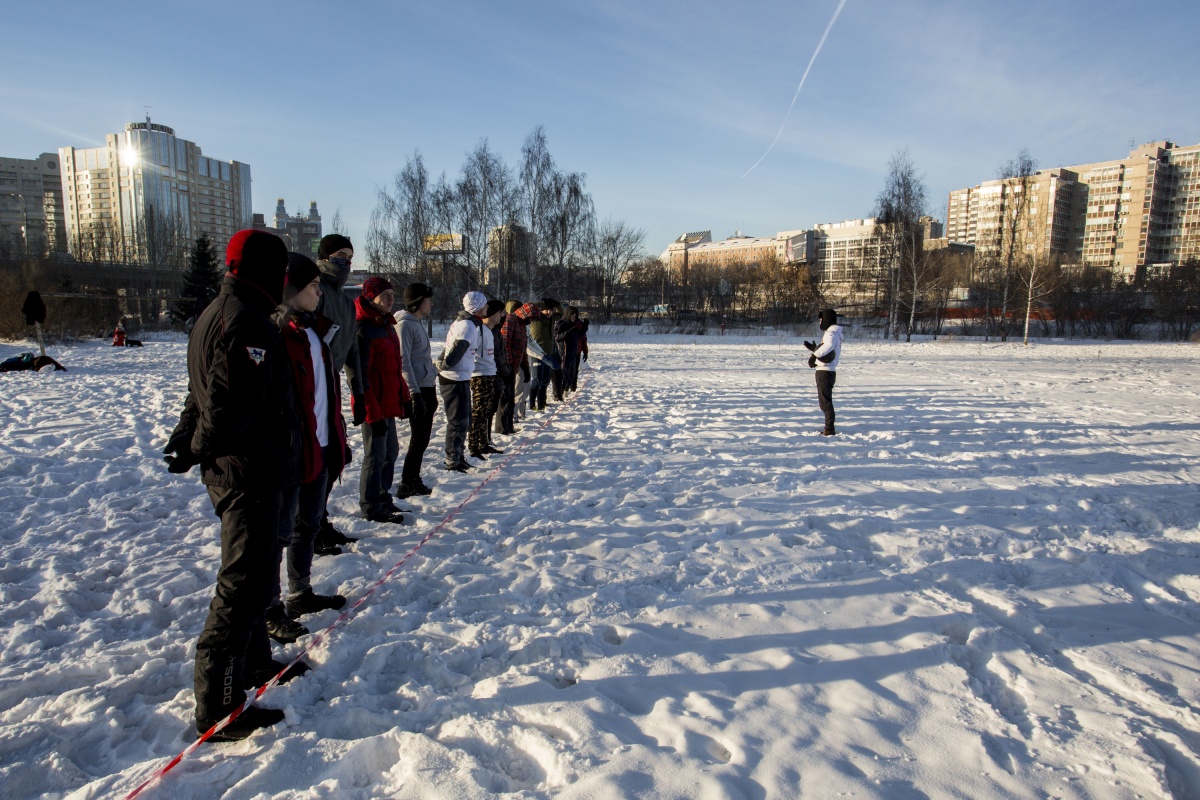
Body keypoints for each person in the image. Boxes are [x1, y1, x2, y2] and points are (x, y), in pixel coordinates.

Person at [162, 229, 301, 741]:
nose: (286, 281)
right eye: (283, 272)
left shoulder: (223, 312)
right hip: (250, 473)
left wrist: (185, 438)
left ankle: (255, 666)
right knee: (241, 587)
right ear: (267, 273)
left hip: (248, 468)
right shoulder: (246, 323)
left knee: (260, 578)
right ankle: (219, 707)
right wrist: (196, 444)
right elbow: (223, 407)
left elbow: (200, 394)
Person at [263, 253, 349, 644]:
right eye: (312, 286)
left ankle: (300, 591)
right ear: (292, 290)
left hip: (322, 445)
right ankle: (270, 609)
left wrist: (338, 438)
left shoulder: (316, 331)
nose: (319, 291)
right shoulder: (276, 335)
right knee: (278, 535)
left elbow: (327, 389)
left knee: (309, 525)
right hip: (292, 452)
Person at [313, 234, 364, 555]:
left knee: (335, 458)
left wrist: (359, 391)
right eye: (338, 255)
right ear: (323, 257)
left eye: (349, 255)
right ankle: (309, 526)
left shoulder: (346, 302)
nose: (345, 262)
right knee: (314, 461)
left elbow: (353, 350)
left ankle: (319, 519)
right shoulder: (312, 292)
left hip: (330, 385)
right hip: (309, 385)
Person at [353, 277, 410, 524]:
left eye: (391, 294)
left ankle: (382, 495)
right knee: (375, 454)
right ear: (370, 297)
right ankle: (371, 504)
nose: (390, 299)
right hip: (373, 405)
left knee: (391, 451)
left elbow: (395, 368)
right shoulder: (363, 329)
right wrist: (370, 411)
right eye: (384, 295)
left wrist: (404, 396)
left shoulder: (386, 325)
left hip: (388, 402)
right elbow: (360, 375)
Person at [438, 292, 486, 471]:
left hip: (461, 377)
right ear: (478, 307)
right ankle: (452, 459)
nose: (486, 308)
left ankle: (458, 454)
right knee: (458, 422)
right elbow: (456, 351)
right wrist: (443, 364)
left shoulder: (465, 323)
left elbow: (449, 347)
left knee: (464, 420)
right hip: (454, 378)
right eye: (484, 305)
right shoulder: (467, 325)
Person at [397, 282, 437, 498]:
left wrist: (432, 375)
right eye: (428, 300)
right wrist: (415, 393)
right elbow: (404, 362)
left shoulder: (416, 323)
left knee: (423, 439)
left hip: (426, 386)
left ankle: (413, 478)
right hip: (417, 389)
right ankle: (407, 482)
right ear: (418, 301)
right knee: (418, 438)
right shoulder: (404, 325)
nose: (431, 304)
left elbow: (421, 358)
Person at [468, 299, 505, 459]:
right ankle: (473, 446)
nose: (502, 316)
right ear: (492, 314)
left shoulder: (490, 331)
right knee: (479, 412)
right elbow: (470, 352)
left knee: (487, 411)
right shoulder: (478, 330)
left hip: (490, 374)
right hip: (479, 376)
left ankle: (483, 443)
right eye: (500, 312)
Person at [497, 301, 536, 434]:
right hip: (506, 367)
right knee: (505, 398)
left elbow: (522, 349)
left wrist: (525, 367)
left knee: (510, 399)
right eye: (531, 318)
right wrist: (508, 364)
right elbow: (505, 343)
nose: (531, 321)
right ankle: (502, 428)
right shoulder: (510, 320)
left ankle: (508, 426)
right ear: (526, 314)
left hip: (514, 368)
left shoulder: (522, 324)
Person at [804, 308, 844, 436]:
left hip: (825, 371)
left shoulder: (830, 333)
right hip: (828, 370)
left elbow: (829, 346)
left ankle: (829, 429)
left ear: (826, 319)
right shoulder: (835, 333)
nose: (820, 322)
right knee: (825, 401)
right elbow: (828, 350)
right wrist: (815, 348)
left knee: (825, 402)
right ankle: (829, 427)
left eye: (821, 320)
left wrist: (814, 355)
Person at [528, 299, 562, 411]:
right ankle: (532, 406)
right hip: (536, 353)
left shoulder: (552, 319)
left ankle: (541, 404)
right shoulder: (536, 318)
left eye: (551, 310)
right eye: (546, 310)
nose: (549, 312)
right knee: (536, 380)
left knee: (545, 380)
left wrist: (557, 304)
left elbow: (561, 313)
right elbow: (530, 309)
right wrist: (541, 304)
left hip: (548, 353)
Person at [555, 305, 582, 396]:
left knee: (572, 374)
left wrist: (584, 328)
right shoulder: (561, 324)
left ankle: (566, 390)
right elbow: (557, 337)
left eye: (575, 316)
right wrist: (568, 332)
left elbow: (578, 337)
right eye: (572, 315)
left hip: (573, 353)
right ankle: (560, 393)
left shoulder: (573, 324)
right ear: (568, 315)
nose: (574, 318)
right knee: (564, 375)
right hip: (565, 354)